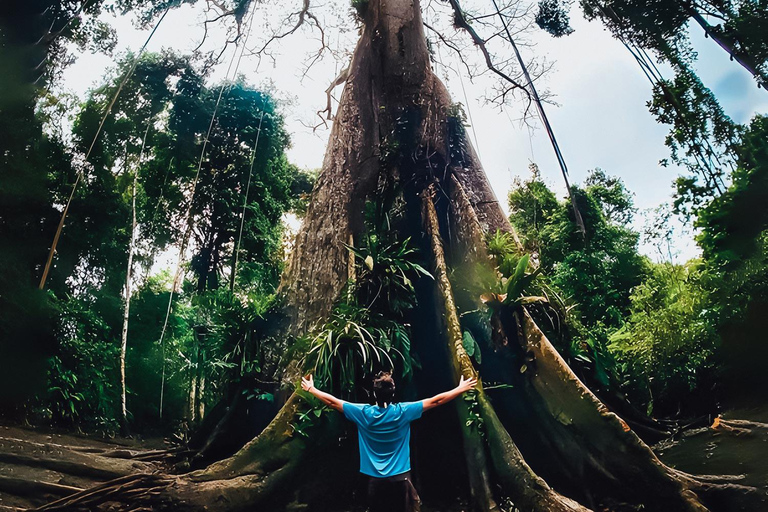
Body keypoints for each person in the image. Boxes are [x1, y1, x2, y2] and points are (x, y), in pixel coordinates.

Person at [301, 371, 478, 512]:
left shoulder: (363, 413)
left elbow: (333, 402)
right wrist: (460, 389)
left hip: (375, 481)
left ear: (374, 394)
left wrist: (311, 389)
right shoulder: (403, 412)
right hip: (401, 480)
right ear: (393, 392)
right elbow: (436, 401)